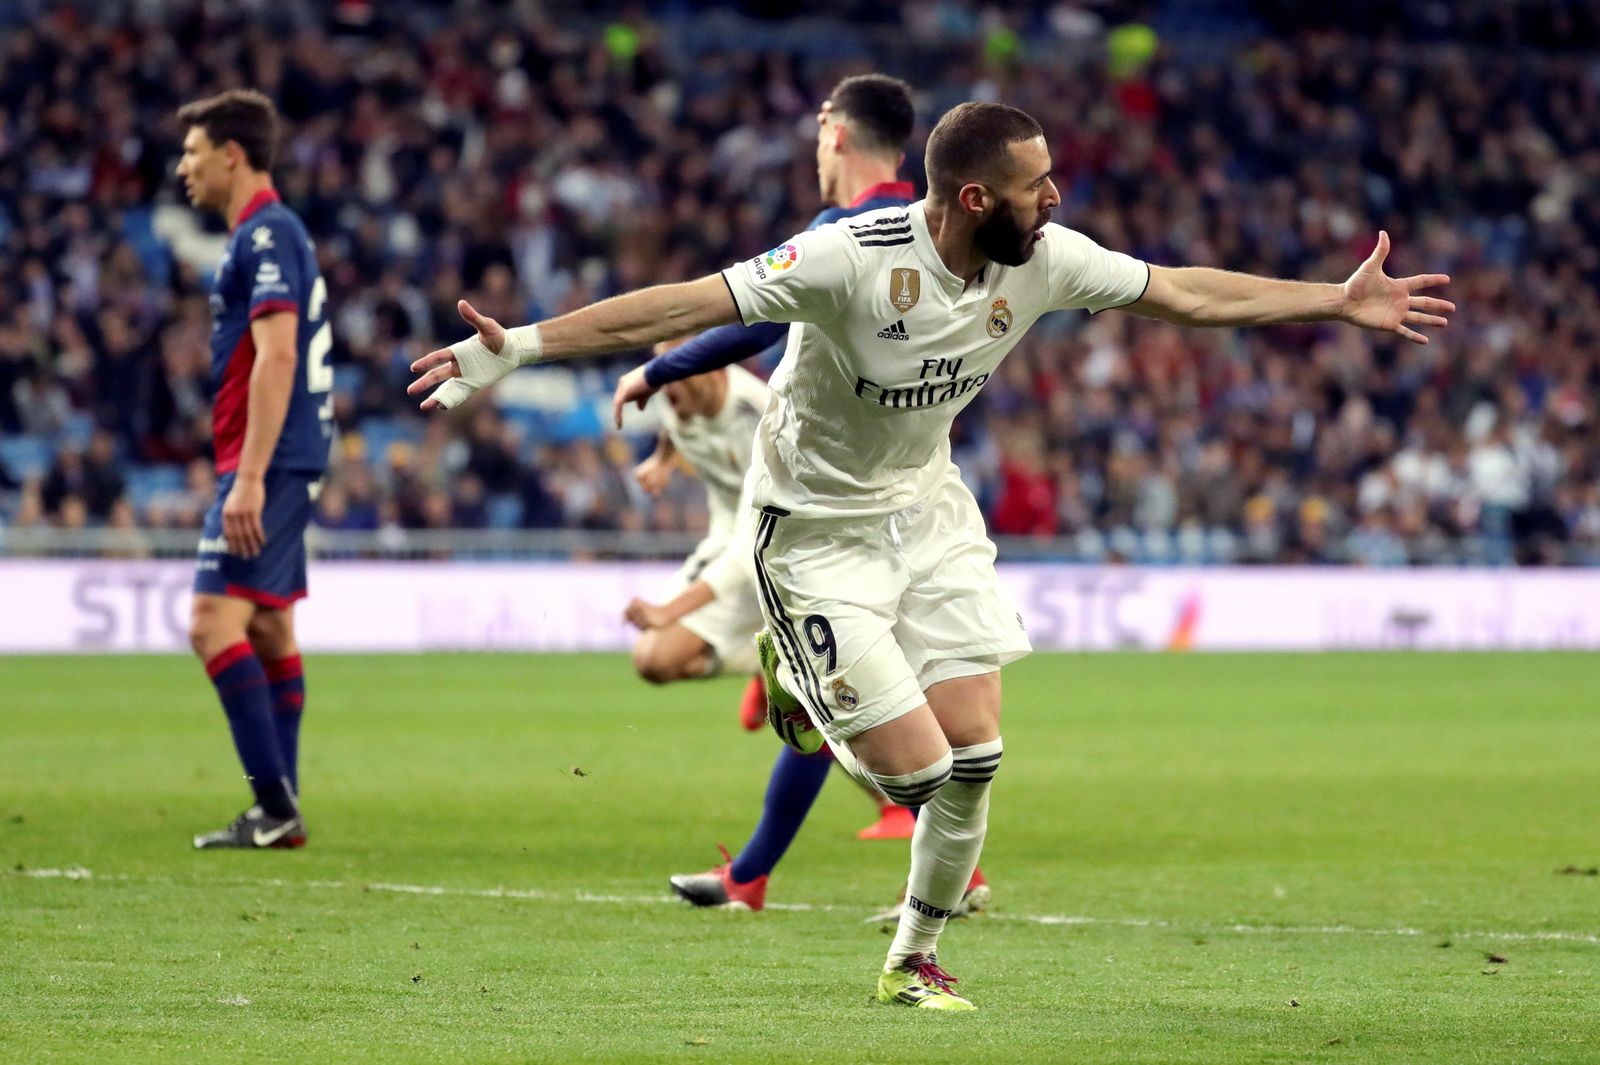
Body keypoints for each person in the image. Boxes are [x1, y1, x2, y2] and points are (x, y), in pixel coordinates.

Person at [408, 101, 1451, 1010]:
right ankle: (801, 685)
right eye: (1036, 186)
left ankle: (913, 960)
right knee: (920, 773)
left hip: (927, 512)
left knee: (978, 754)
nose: (1055, 199)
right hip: (812, 531)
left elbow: (1184, 293)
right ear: (973, 199)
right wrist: (522, 347)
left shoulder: (1045, 259)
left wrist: (1335, 299)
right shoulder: (850, 259)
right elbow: (692, 301)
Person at [626, 76, 939, 916]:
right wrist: (665, 443)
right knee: (826, 700)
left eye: (818, 129)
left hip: (833, 515)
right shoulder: (930, 230)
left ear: (834, 132)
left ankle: (940, 868)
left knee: (846, 701)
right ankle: (758, 873)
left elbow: (755, 321)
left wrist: (655, 367)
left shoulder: (839, 233)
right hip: (894, 496)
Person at [176, 89, 333, 849]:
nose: (184, 168)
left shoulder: (267, 232)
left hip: (267, 461)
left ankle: (273, 806)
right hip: (285, 458)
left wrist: (248, 476)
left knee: (212, 624)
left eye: (193, 153)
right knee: (268, 627)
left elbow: (277, 356)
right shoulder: (269, 234)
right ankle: (283, 812)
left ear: (231, 155)